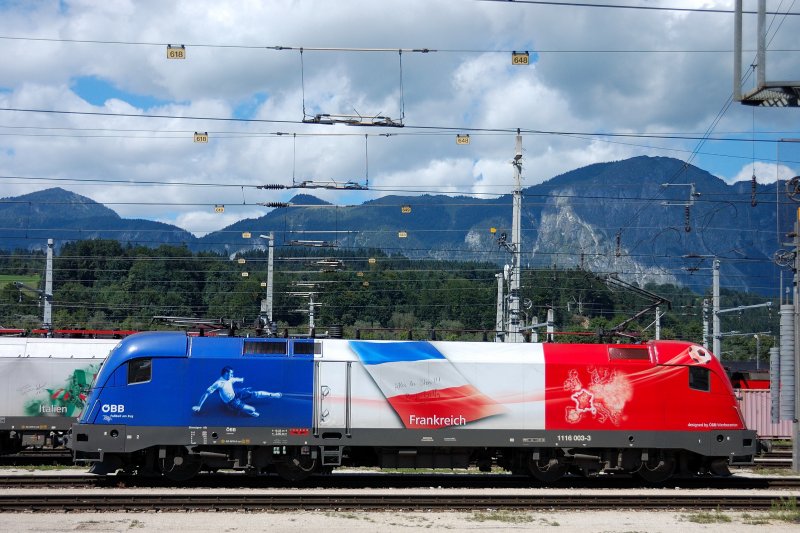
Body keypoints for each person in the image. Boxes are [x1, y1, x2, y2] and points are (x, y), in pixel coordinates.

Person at [192, 366, 281, 417]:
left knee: (254, 393)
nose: (232, 375)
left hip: (236, 393)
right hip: (231, 402)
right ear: (225, 373)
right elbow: (206, 394)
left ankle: (273, 395)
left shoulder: (229, 379)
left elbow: (235, 379)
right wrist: (199, 406)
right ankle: (245, 411)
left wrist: (241, 379)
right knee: (253, 410)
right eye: (231, 373)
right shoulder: (218, 383)